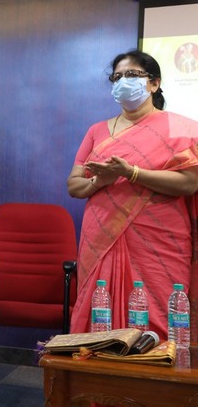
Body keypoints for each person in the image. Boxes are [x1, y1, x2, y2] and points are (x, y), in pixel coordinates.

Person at [67, 50, 198, 339]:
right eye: (117, 77)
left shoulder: (181, 128)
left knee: (159, 318)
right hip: (101, 235)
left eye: (132, 75)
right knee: (99, 315)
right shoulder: (97, 131)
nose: (123, 81)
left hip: (160, 239)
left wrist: (132, 173)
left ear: (154, 83)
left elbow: (189, 183)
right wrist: (99, 182)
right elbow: (74, 185)